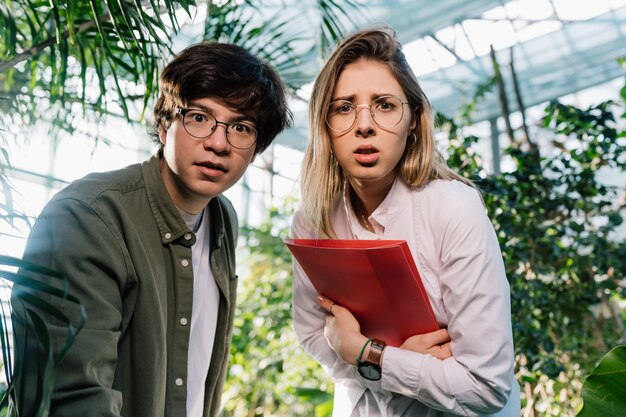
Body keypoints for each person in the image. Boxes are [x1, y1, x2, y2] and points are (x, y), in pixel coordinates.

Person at [11, 42, 291, 417]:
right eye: (199, 118)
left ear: (256, 149)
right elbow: (70, 399)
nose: (219, 142)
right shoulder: (88, 217)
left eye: (241, 127)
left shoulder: (223, 220)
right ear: (164, 125)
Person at [291, 27, 520, 416]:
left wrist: (368, 354)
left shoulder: (452, 208)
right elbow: (313, 334)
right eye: (344, 107)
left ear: (413, 119)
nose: (364, 125)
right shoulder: (312, 220)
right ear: (324, 126)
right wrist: (387, 364)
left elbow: (486, 387)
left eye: (384, 104)